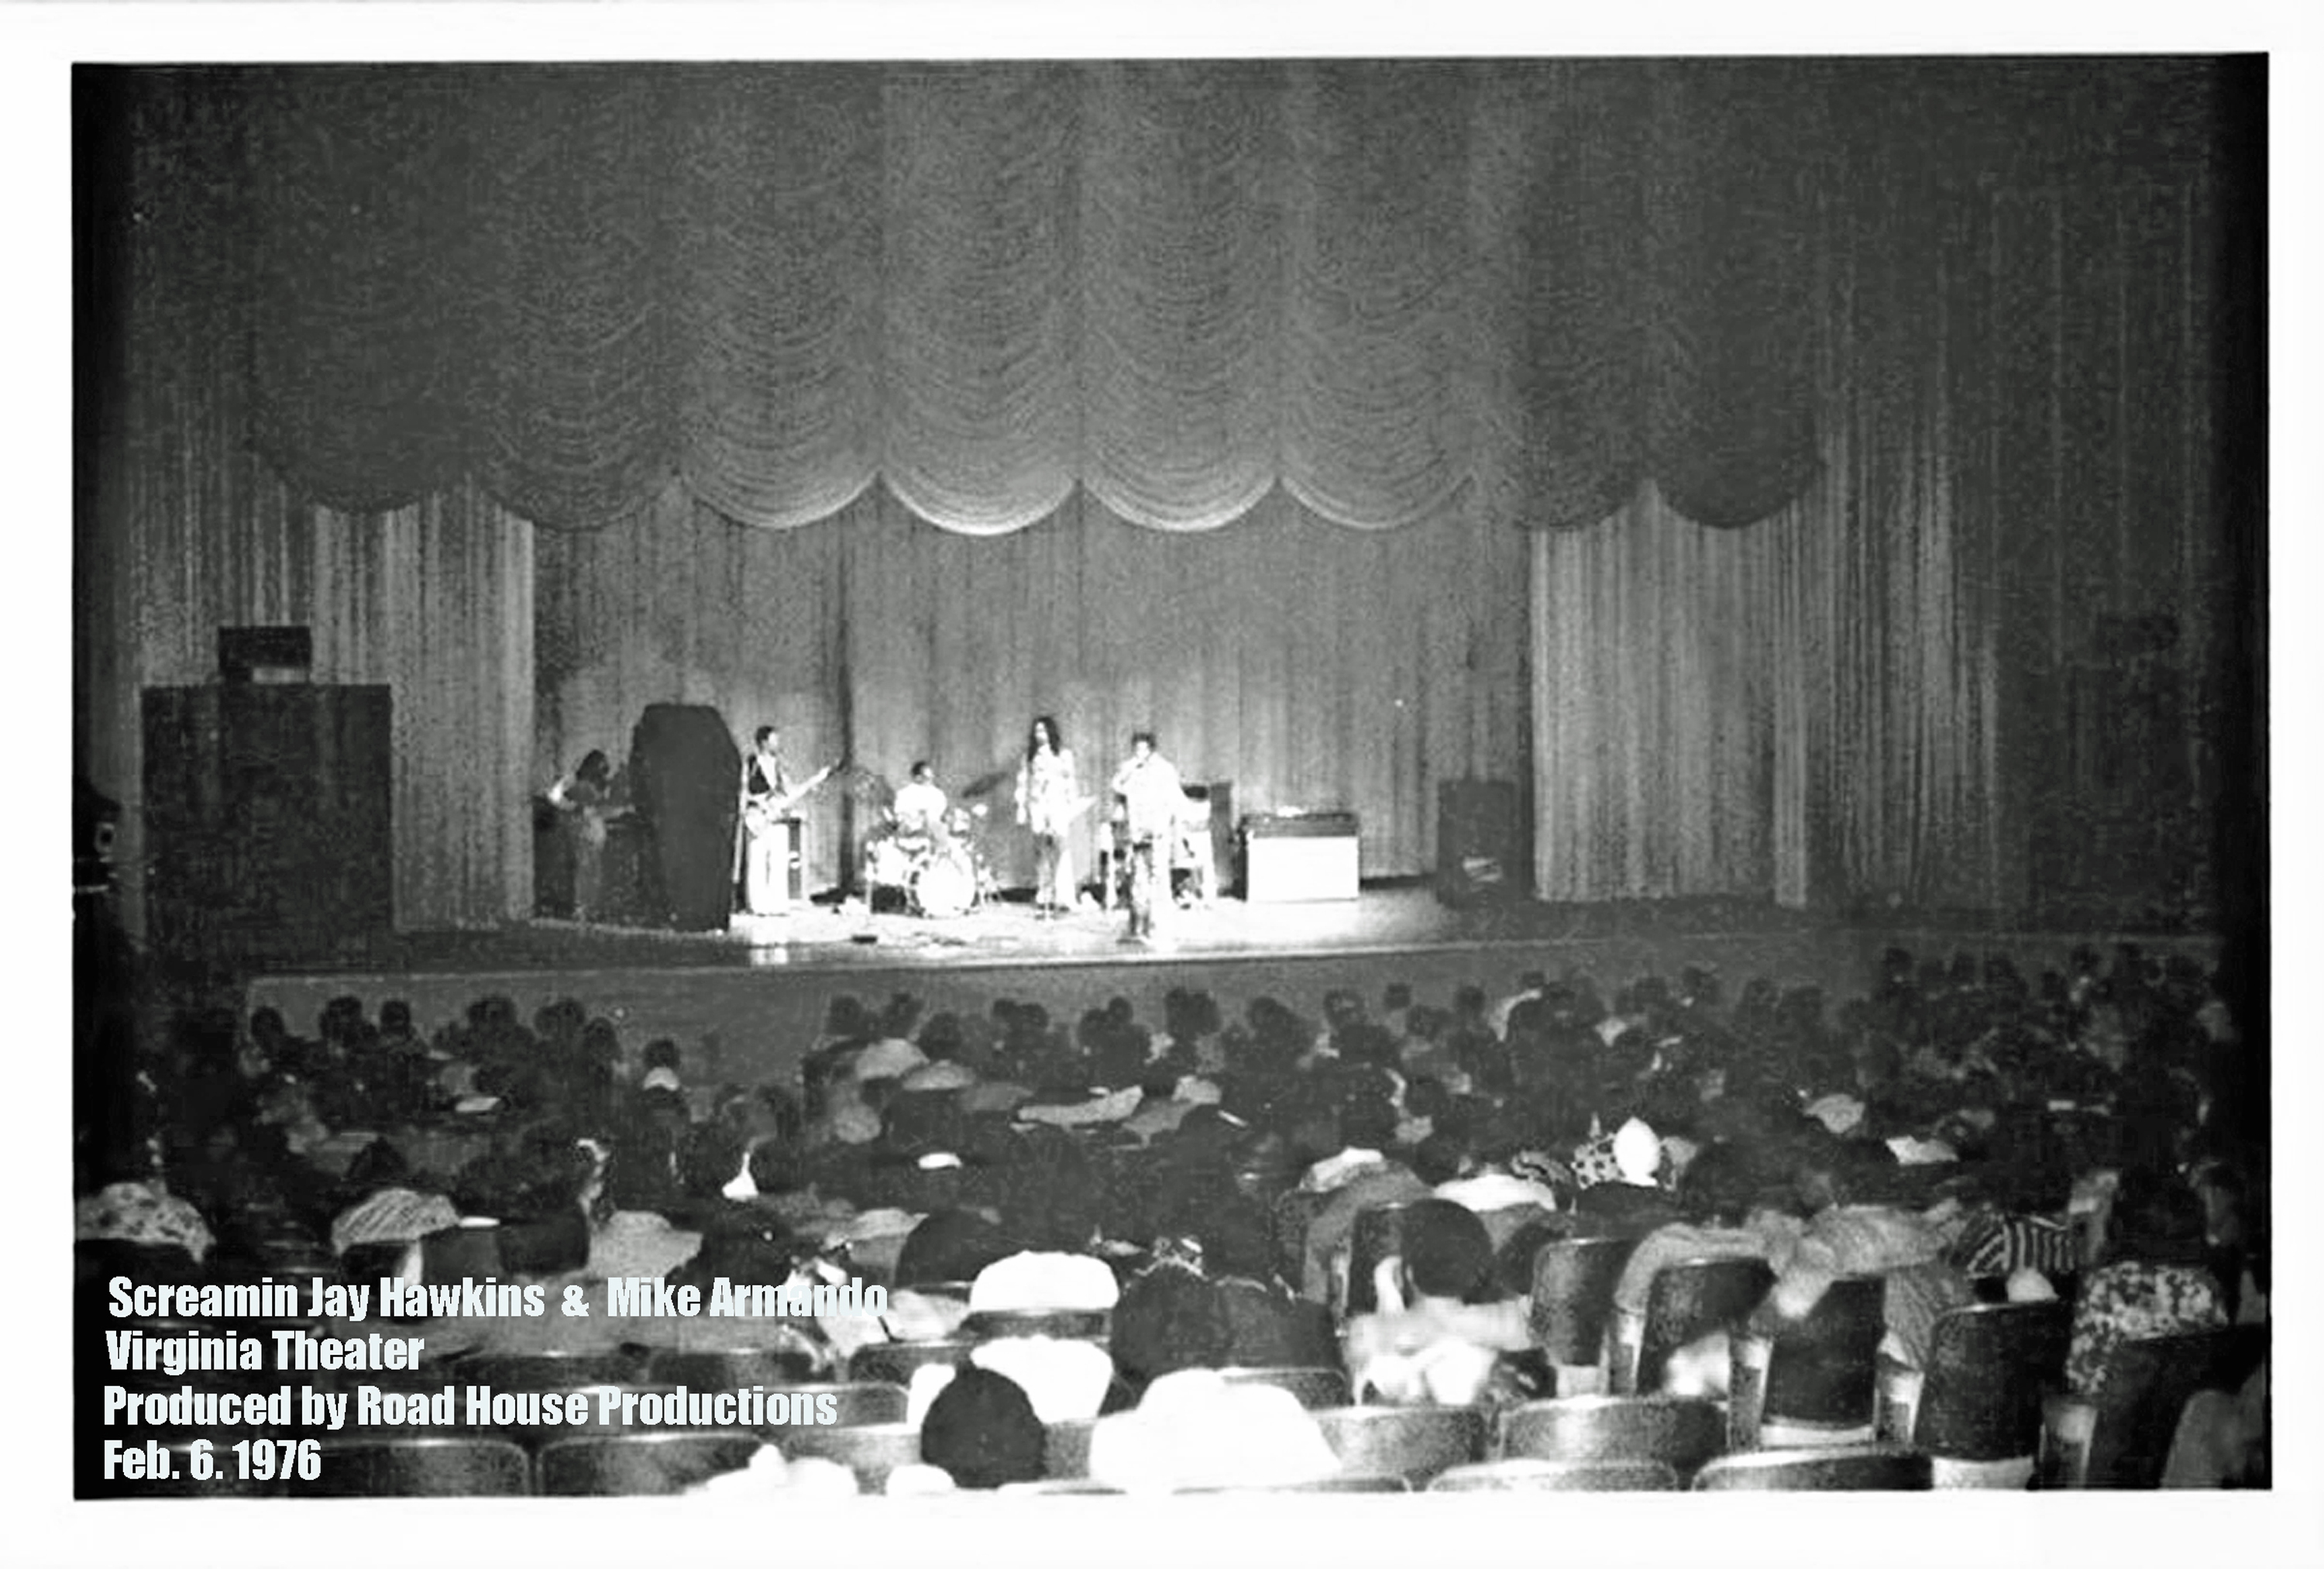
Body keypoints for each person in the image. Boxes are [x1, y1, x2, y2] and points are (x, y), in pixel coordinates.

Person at [738, 725, 828, 916]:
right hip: (758, 816)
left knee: (779, 860)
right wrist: (757, 802)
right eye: (774, 740)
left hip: (778, 817)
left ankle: (777, 904)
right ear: (763, 742)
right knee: (757, 860)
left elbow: (789, 789)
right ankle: (758, 905)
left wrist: (810, 785)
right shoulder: (751, 763)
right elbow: (743, 791)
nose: (778, 744)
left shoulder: (780, 765)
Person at [1111, 731, 1184, 941]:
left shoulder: (1164, 770)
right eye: (1137, 748)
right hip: (1136, 833)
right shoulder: (1129, 769)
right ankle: (1137, 926)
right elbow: (1117, 787)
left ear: (1151, 749)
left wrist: (1167, 826)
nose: (1140, 753)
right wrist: (1129, 769)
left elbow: (1173, 800)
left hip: (1158, 833)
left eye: (1144, 748)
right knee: (1137, 878)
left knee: (1158, 878)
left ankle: (1157, 926)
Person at [547, 750, 624, 924]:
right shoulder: (571, 780)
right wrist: (573, 807)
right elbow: (553, 796)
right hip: (579, 828)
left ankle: (592, 907)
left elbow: (601, 807)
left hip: (595, 828)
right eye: (599, 765)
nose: (602, 769)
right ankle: (580, 908)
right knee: (583, 868)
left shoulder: (602, 784)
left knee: (594, 870)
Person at [1016, 716, 1080, 917]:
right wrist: (1021, 807)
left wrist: (1072, 806)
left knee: (1061, 851)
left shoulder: (1063, 754)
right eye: (1037, 732)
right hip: (1038, 805)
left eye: (1043, 731)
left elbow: (1070, 781)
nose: (1040, 735)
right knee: (1041, 851)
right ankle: (1044, 895)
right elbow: (1023, 782)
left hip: (1058, 805)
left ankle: (1064, 896)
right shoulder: (1029, 756)